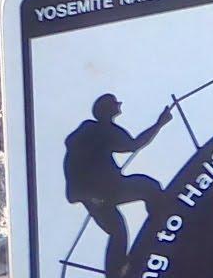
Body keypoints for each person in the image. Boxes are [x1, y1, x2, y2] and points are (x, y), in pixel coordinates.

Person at [62, 93, 175, 278]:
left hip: (91, 193)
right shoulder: (101, 130)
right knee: (149, 187)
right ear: (108, 109)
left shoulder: (87, 131)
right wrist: (159, 124)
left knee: (117, 230)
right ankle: (160, 224)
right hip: (104, 190)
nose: (119, 106)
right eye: (115, 104)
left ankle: (115, 273)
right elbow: (133, 144)